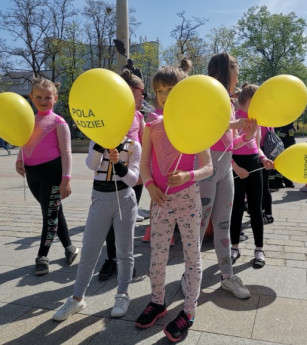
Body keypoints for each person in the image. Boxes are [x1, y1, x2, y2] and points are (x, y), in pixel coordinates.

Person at [135, 57, 213, 342]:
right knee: (157, 256)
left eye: (169, 90)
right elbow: (144, 165)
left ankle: (189, 309)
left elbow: (208, 167)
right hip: (160, 202)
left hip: (188, 200)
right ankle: (157, 301)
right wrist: (151, 186)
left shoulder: (195, 126)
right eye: (159, 91)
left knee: (192, 257)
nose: (163, 96)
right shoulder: (151, 125)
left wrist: (189, 176)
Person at [53, 134, 141, 321]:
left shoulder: (134, 146)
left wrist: (118, 164)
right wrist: (100, 147)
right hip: (100, 199)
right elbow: (92, 165)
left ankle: (122, 294)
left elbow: (133, 180)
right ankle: (77, 298)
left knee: (125, 250)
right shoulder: (96, 140)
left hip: (125, 201)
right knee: (89, 250)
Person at [196, 52, 256, 295]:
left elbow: (229, 142)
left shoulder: (230, 102)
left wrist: (247, 137)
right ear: (224, 72)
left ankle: (227, 276)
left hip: (225, 170)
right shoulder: (207, 93)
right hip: (207, 168)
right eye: (236, 73)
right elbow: (201, 126)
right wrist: (233, 125)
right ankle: (191, 275)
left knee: (224, 224)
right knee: (198, 226)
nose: (237, 78)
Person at [15, 77, 78, 275]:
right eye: (39, 97)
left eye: (48, 97)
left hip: (52, 172)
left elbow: (66, 152)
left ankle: (42, 255)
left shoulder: (59, 122)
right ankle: (70, 248)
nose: (43, 100)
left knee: (49, 215)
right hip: (32, 174)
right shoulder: (26, 121)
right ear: (31, 97)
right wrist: (19, 160)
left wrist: (66, 179)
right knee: (53, 211)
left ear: (55, 98)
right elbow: (22, 142)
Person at [98, 68, 146, 281]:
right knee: (111, 220)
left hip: (133, 176)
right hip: (112, 174)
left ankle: (126, 262)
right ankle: (110, 259)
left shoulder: (139, 116)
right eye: (139, 92)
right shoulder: (111, 114)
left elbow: (144, 145)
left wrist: (144, 171)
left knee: (127, 220)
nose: (142, 96)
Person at [231, 84, 274, 269]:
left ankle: (259, 249)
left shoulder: (256, 119)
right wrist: (235, 167)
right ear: (251, 100)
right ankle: (234, 246)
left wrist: (264, 159)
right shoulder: (232, 117)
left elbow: (256, 146)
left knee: (256, 208)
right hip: (236, 166)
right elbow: (227, 148)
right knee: (237, 207)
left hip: (254, 165)